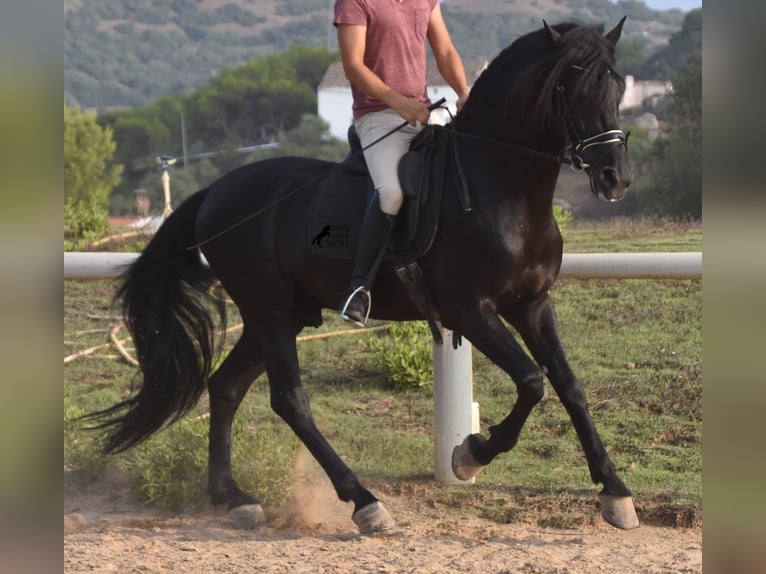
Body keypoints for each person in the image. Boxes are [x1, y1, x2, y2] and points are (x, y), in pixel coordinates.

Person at [334, 0, 470, 328]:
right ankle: (358, 289)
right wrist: (397, 102)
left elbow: (446, 51)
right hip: (378, 116)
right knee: (391, 192)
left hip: (422, 112)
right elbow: (352, 66)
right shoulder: (354, 2)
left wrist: (464, 92)